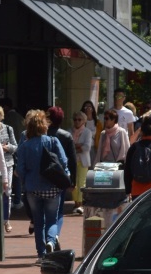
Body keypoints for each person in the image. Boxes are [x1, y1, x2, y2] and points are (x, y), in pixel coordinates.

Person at [14, 109, 70, 261]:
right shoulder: (53, 141)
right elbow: (64, 161)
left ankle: (41, 254)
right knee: (52, 219)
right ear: (44, 126)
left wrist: (27, 181)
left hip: (33, 188)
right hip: (52, 186)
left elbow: (20, 169)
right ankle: (51, 241)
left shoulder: (25, 146)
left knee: (38, 221)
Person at [46, 106, 78, 235]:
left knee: (45, 210)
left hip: (44, 175)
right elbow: (72, 160)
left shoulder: (42, 134)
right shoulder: (66, 135)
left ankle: (48, 236)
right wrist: (73, 181)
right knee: (58, 210)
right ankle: (54, 236)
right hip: (61, 176)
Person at [0, 106, 17, 231]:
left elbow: (15, 147)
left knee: (7, 192)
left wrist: (7, 147)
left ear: (2, 116)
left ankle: (6, 221)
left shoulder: (8, 129)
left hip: (7, 164)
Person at [71, 109, 94, 213]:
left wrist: (75, 147)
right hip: (73, 160)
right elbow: (68, 147)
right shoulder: (69, 131)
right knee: (73, 182)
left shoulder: (87, 132)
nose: (77, 121)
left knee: (82, 182)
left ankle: (81, 203)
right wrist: (79, 146)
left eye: (79, 119)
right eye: (75, 119)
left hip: (83, 160)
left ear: (84, 121)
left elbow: (87, 147)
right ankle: (75, 202)